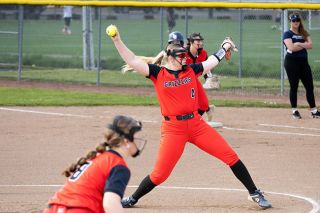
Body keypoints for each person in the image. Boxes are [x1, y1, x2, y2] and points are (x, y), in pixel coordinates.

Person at [108, 27, 272, 209]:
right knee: (160, 175)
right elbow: (131, 59)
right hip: (173, 130)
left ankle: (254, 192)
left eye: (185, 56)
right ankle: (133, 198)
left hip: (196, 125)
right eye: (181, 57)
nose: (185, 59)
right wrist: (117, 40)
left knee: (230, 156)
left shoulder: (190, 70)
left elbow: (212, 61)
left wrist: (224, 47)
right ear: (170, 57)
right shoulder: (157, 73)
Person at [43, 115, 146, 213]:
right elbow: (110, 204)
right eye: (137, 139)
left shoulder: (96, 157)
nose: (139, 143)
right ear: (126, 141)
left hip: (53, 208)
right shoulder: (118, 166)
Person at [283, 12, 320, 119]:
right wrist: (303, 45)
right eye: (293, 20)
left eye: (297, 20)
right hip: (291, 63)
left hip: (303, 63)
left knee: (309, 86)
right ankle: (295, 111)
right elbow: (291, 48)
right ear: (290, 21)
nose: (296, 22)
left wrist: (298, 44)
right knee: (294, 87)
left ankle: (314, 111)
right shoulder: (287, 34)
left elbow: (311, 45)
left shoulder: (304, 33)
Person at [186, 32, 215, 121]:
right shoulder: (184, 54)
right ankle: (207, 110)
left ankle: (195, 119)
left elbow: (207, 68)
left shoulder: (203, 53)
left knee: (203, 103)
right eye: (197, 41)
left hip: (194, 81)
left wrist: (209, 79)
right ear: (191, 42)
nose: (200, 42)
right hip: (183, 82)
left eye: (201, 40)